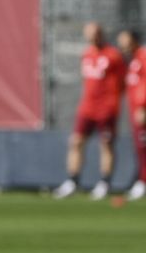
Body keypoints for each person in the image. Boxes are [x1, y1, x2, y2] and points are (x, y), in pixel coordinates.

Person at [54, 22, 126, 200]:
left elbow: (123, 82)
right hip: (87, 107)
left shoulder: (113, 55)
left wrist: (112, 102)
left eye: (95, 33)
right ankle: (73, 180)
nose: (92, 37)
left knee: (106, 144)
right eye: (89, 33)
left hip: (106, 108)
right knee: (76, 142)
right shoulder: (86, 54)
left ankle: (105, 182)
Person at [118, 28, 146, 200]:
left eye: (125, 40)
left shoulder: (143, 56)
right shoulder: (132, 60)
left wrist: (143, 106)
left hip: (142, 111)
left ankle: (143, 182)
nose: (122, 45)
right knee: (140, 148)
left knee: (143, 148)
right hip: (134, 111)